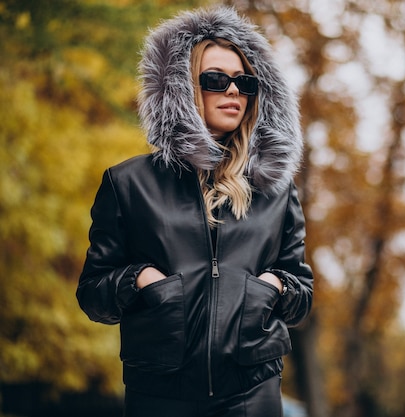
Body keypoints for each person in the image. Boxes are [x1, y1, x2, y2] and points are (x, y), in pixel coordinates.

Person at [76, 6, 313, 417]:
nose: (233, 91)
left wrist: (274, 286)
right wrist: (140, 280)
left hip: (251, 393)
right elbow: (94, 294)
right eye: (216, 80)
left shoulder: (275, 189)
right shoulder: (128, 184)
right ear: (182, 89)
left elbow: (302, 295)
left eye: (244, 82)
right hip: (159, 394)